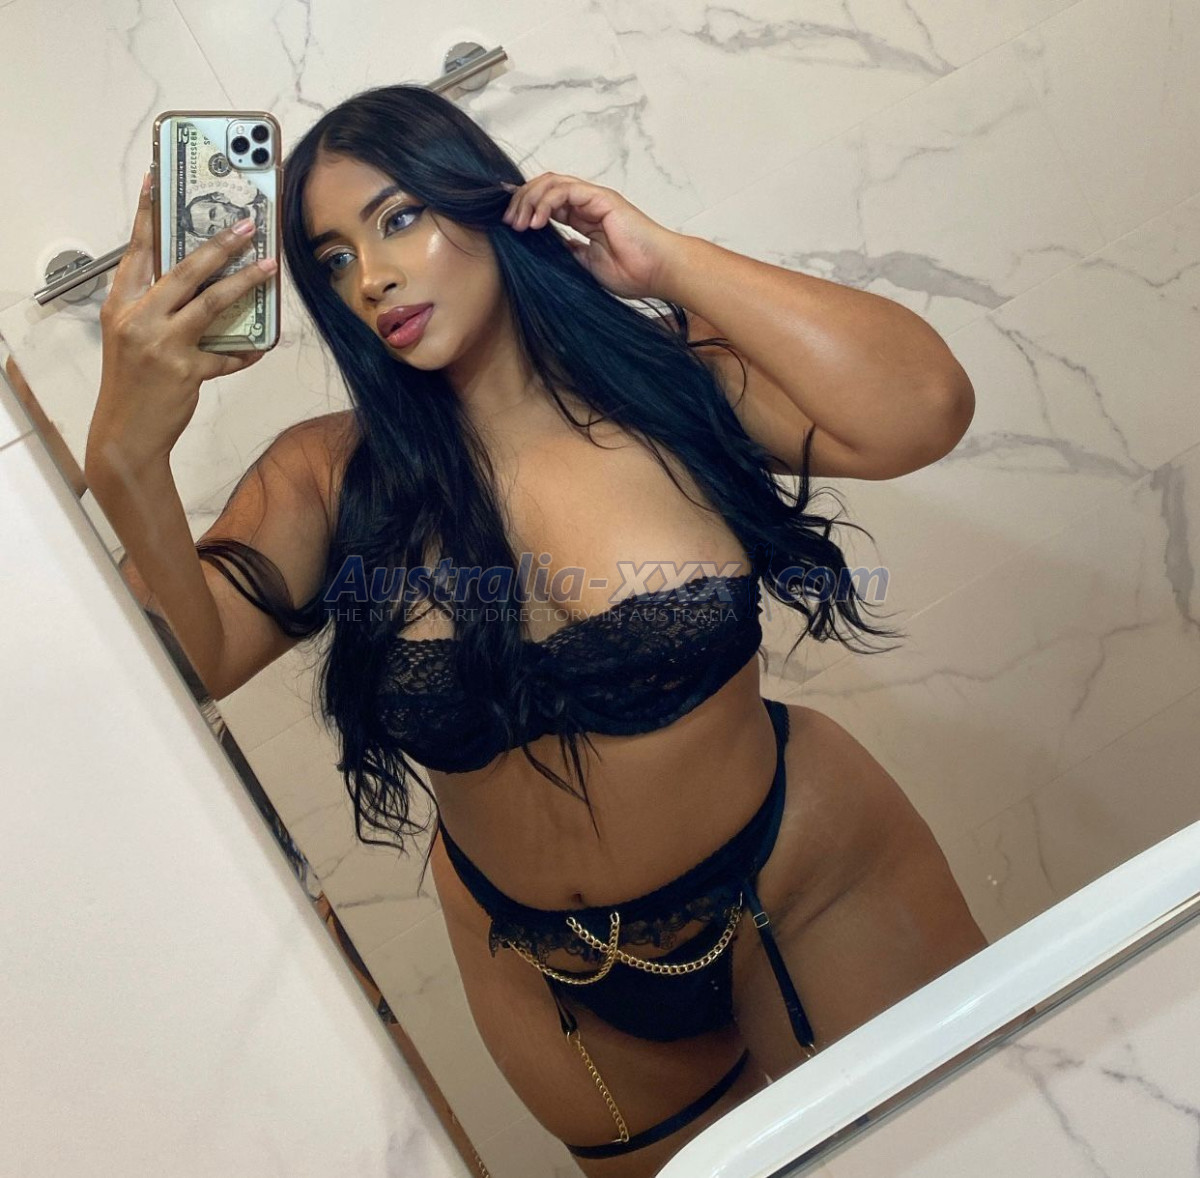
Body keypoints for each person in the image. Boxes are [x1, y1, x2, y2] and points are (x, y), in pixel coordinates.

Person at [84, 83, 987, 1178]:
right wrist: (125, 457)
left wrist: (671, 261)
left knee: (962, 1146)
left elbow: (923, 409)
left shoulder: (671, 383)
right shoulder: (329, 474)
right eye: (332, 259)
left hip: (800, 878)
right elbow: (194, 659)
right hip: (539, 969)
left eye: (399, 217)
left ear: (490, 200)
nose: (371, 278)